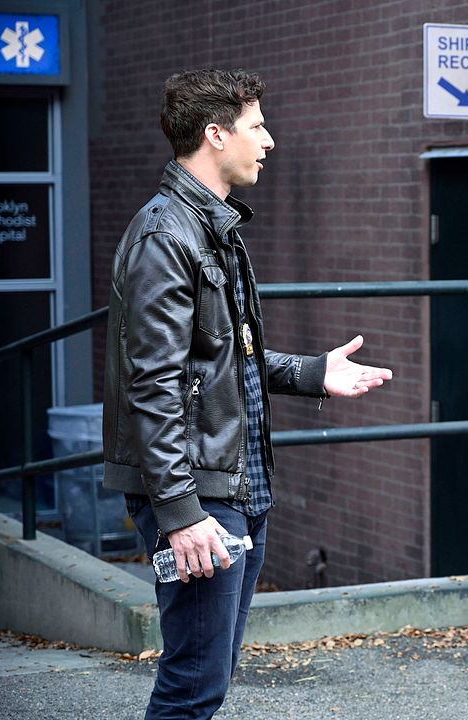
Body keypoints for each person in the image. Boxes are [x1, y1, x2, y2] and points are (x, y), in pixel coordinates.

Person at [102, 68, 393, 719]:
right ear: (215, 134)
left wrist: (311, 372)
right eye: (257, 127)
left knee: (213, 672)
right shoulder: (165, 237)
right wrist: (177, 514)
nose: (269, 141)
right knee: (194, 682)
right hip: (200, 496)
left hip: (239, 485)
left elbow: (222, 359)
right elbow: (153, 388)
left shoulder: (213, 227)